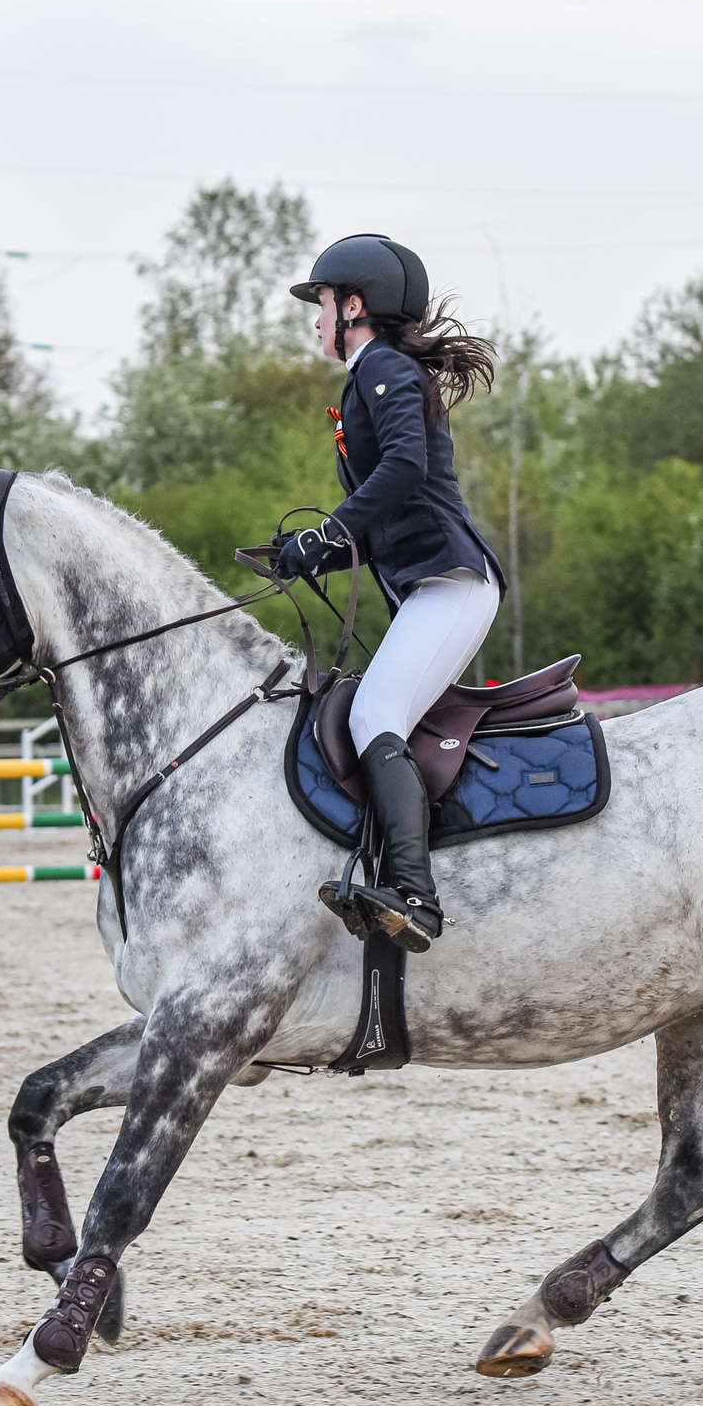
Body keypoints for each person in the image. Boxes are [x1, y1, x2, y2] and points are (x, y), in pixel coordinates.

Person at [276, 234, 504, 953]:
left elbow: (404, 467)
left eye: (319, 304)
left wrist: (329, 531)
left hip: (452, 584)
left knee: (376, 711)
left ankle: (415, 896)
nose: (314, 320)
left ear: (353, 305)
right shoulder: (375, 372)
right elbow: (388, 517)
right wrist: (314, 554)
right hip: (430, 584)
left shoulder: (382, 368)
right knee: (372, 709)